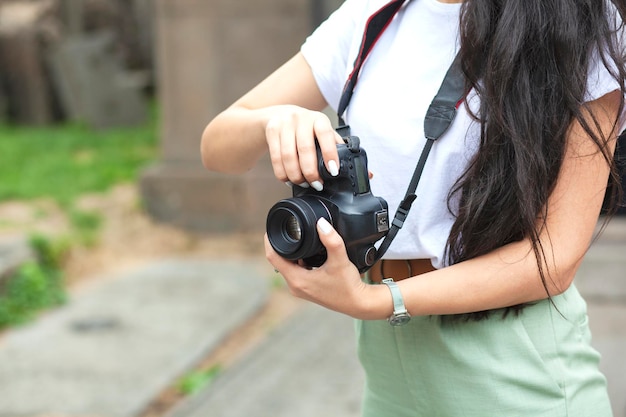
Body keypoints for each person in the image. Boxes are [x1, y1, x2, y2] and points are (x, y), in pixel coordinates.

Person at [201, 0, 626, 415]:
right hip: (386, 360)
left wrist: (378, 301)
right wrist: (273, 121)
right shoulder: (371, 16)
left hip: (514, 363)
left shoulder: (579, 18)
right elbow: (217, 148)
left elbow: (553, 258)